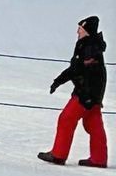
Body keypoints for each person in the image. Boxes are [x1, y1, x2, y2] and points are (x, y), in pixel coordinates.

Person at [39, 16, 107, 167]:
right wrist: (58, 81)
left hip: (85, 93)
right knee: (93, 124)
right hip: (93, 94)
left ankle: (58, 154)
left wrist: (87, 95)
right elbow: (79, 69)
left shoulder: (89, 47)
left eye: (80, 29)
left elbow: (80, 70)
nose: (77, 31)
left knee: (66, 119)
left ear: (87, 31)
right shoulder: (92, 45)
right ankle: (99, 158)